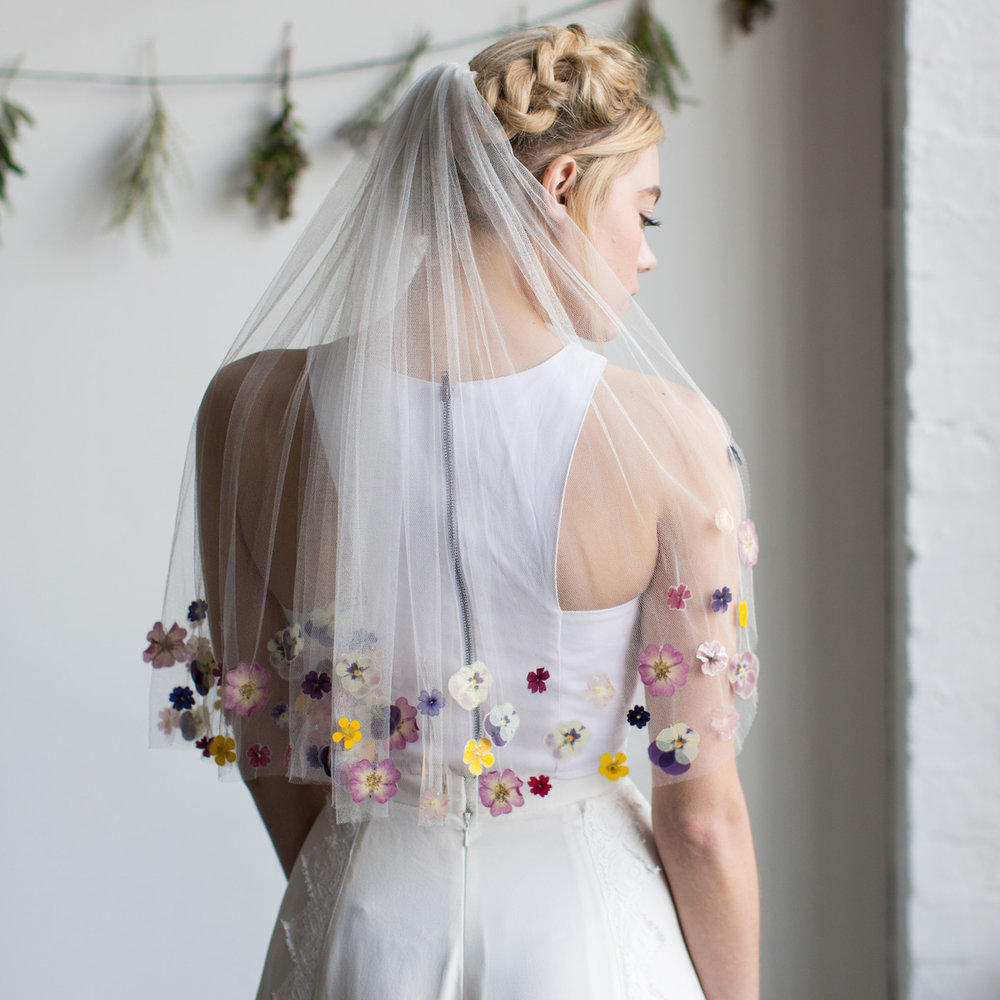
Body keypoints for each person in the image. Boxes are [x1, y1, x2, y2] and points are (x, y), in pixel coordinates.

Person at [145, 23, 761, 1000]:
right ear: (561, 184)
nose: (642, 258)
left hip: (362, 918)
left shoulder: (248, 407)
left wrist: (359, 887)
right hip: (585, 938)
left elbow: (272, 745)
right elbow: (702, 819)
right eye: (643, 212)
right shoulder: (666, 435)